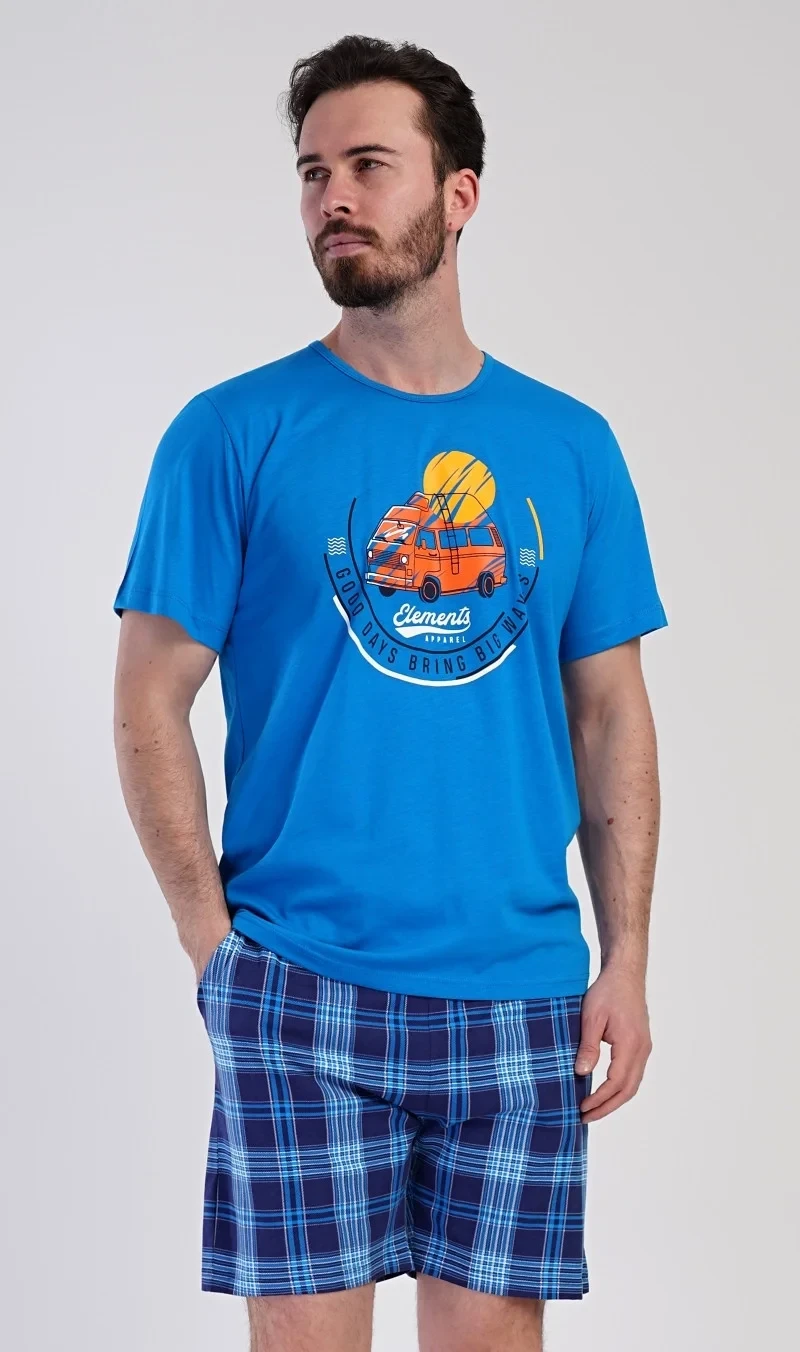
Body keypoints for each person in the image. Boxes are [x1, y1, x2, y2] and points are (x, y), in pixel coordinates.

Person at [112, 33, 668, 1352]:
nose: (335, 199)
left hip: (520, 990)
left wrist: (630, 957)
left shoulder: (570, 446)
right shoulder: (230, 433)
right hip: (299, 982)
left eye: (370, 165)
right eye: (313, 173)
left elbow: (611, 714)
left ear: (459, 193)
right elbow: (147, 698)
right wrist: (212, 950)